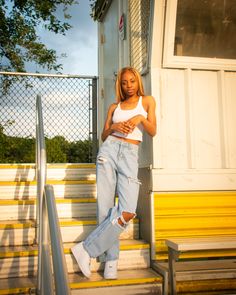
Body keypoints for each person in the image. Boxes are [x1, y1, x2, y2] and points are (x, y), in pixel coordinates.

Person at [71, 66, 156, 280]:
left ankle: (86, 249)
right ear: (120, 84)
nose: (128, 86)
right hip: (109, 150)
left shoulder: (147, 101)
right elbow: (103, 135)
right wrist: (115, 126)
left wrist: (139, 118)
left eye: (132, 81)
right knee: (105, 208)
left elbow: (153, 131)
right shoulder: (113, 106)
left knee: (127, 210)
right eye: (124, 82)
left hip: (130, 153)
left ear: (138, 82)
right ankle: (111, 261)